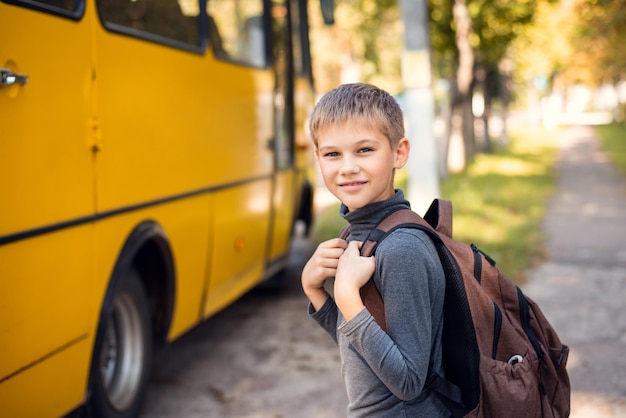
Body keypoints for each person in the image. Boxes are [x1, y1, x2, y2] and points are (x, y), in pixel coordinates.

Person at [301, 83, 450, 417]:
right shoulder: (360, 233)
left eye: (364, 150)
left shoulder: (401, 249)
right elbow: (361, 345)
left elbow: (409, 381)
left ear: (399, 152)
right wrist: (316, 291)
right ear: (318, 158)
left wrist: (347, 296)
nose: (347, 167)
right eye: (332, 154)